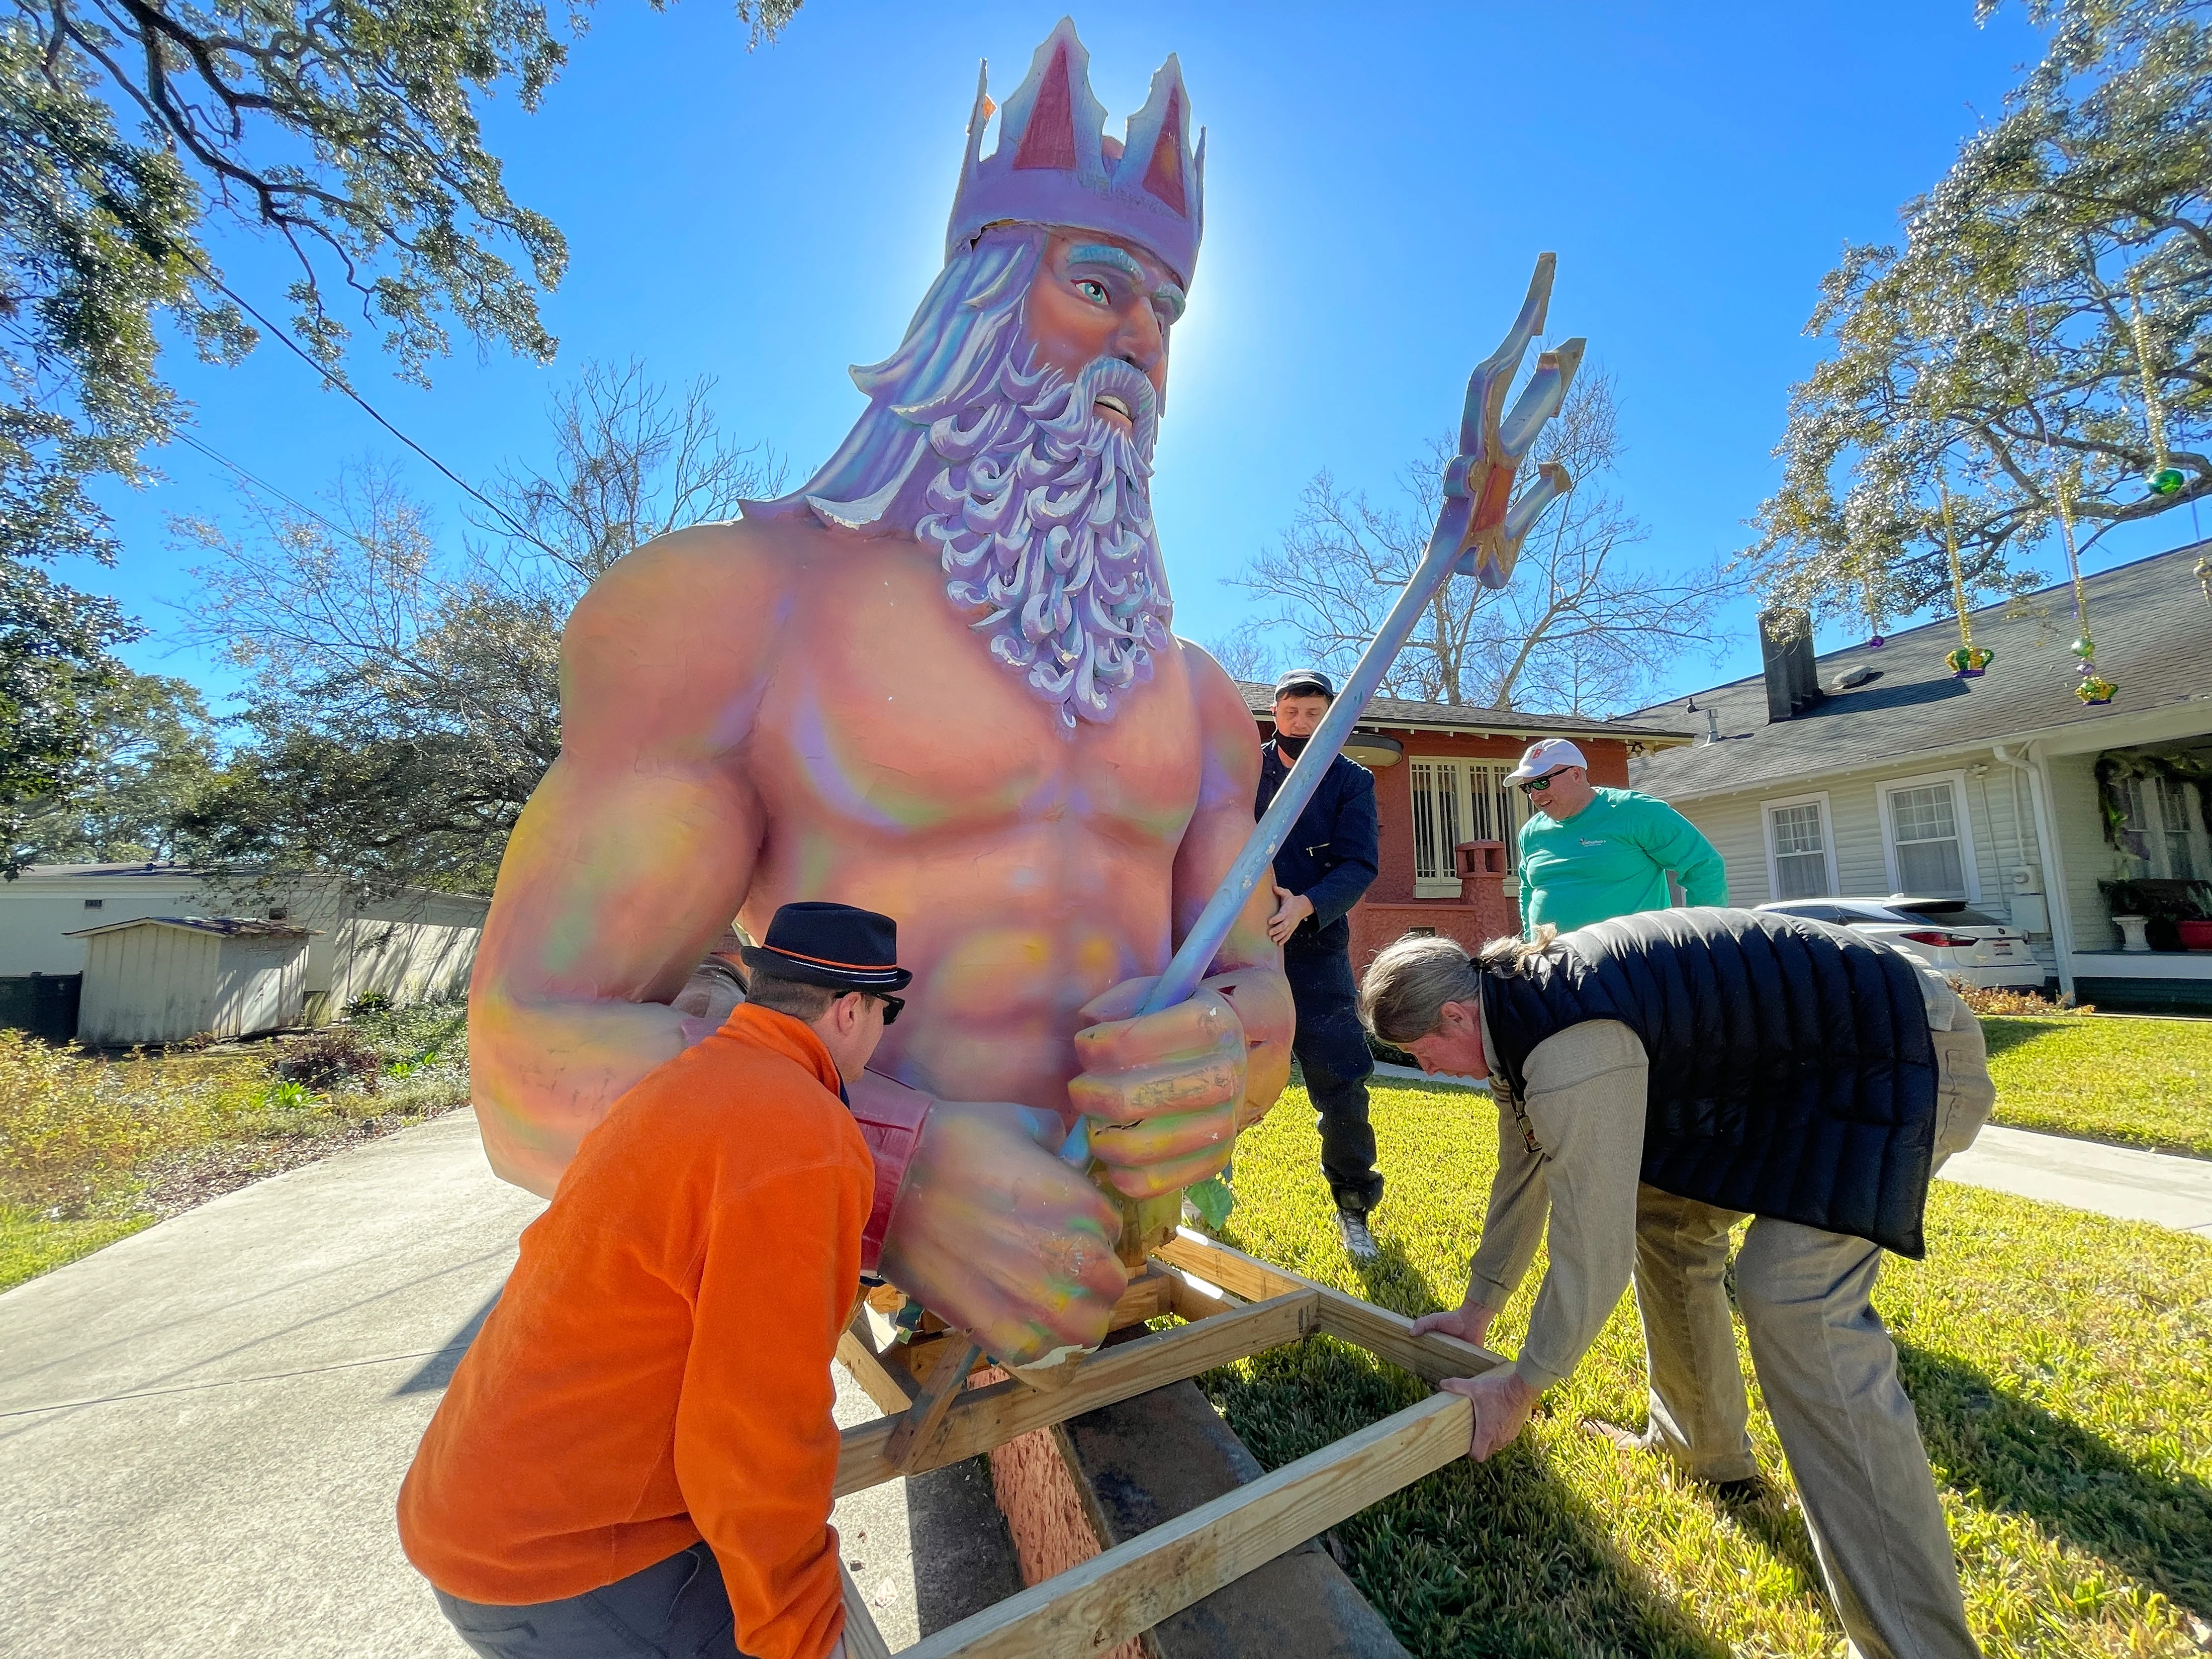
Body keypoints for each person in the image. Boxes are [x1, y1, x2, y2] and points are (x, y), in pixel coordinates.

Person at [465, 21, 1295, 1369]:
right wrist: (886, 1173)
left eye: (1170, 312)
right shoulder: (740, 616)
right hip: (822, 1261)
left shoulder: (1200, 704)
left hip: (1114, 1259)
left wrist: (1226, 1052)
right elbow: (525, 1056)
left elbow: (1259, 984)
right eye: (1098, 284)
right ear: (974, 305)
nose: (1141, 337)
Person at [1362, 910, 1994, 1659]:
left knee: (1792, 1293)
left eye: (1420, 1053)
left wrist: (1522, 1386)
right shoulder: (1515, 1017)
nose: (1427, 1071)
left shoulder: (1569, 1046)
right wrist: (1479, 1308)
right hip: (1797, 1068)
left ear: (1456, 1014)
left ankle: (1915, 1646)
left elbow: (1586, 1239)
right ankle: (1704, 1448)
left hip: (1903, 1046)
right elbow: (1524, 1166)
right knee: (1662, 1218)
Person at [400, 901, 915, 1659]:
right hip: (569, 1563)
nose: (882, 1032)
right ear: (849, 1010)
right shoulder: (799, 1132)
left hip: (489, 1507)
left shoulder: (689, 1083)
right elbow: (756, 1415)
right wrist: (797, 1624)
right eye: (886, 1013)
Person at [1256, 667, 1384, 1259]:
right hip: (1231, 944)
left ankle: (1353, 1206)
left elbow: (1359, 865)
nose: (1300, 723)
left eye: (1313, 714)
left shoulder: (1350, 780)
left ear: (1331, 717)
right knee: (1208, 1062)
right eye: (1290, 712)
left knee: (1341, 1076)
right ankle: (1195, 1190)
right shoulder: (1241, 766)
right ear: (1274, 713)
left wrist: (1306, 905)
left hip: (1313, 945)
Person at [1505, 738, 1726, 934]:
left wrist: (1703, 937)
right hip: (1553, 968)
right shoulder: (1531, 833)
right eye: (1528, 788)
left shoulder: (1635, 811)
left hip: (1630, 964)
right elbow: (1528, 891)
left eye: (1542, 782)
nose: (1535, 794)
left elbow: (1704, 864)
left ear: (1576, 775)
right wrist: (1530, 943)